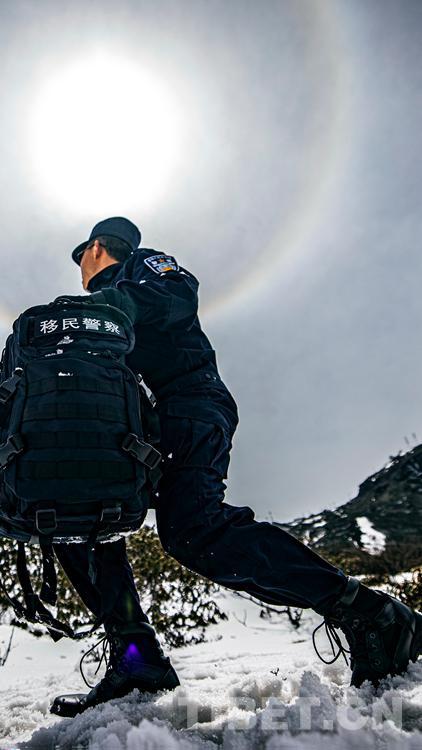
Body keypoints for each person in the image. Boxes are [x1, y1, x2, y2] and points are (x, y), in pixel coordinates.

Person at [51, 217, 422, 716]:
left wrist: (107, 305)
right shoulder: (90, 313)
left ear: (96, 248)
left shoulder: (144, 266)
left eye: (81, 257)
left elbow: (179, 293)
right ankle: (137, 659)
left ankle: (372, 613)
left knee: (194, 530)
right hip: (130, 423)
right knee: (76, 514)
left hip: (187, 405)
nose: (80, 269)